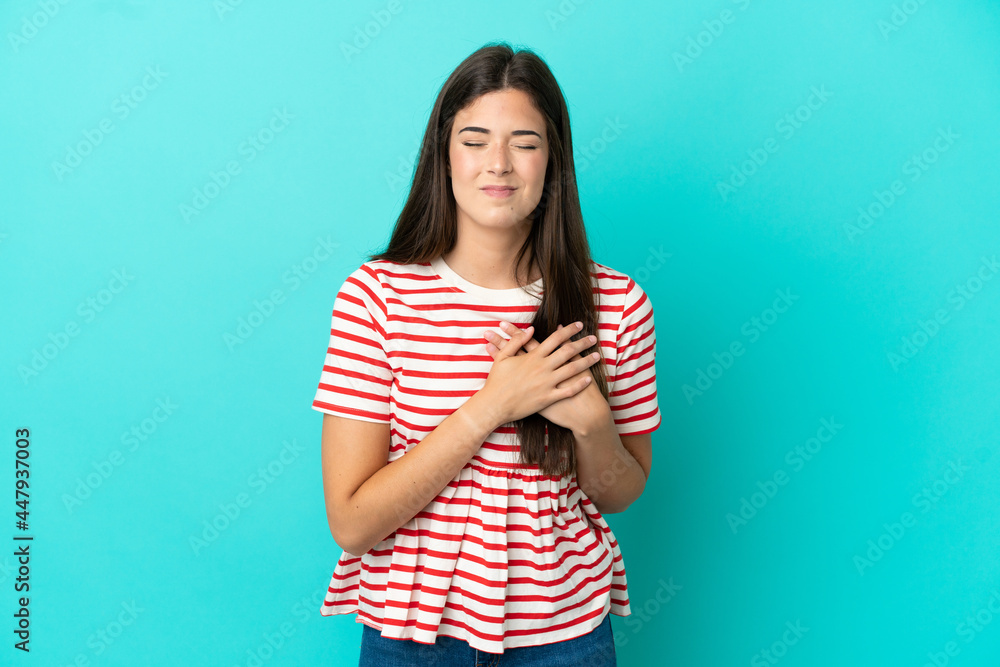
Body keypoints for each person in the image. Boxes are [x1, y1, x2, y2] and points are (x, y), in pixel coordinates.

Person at [311, 41, 661, 666]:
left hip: (566, 634)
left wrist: (591, 423)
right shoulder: (378, 296)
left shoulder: (617, 302)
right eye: (474, 140)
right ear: (442, 156)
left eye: (524, 142)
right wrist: (493, 405)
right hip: (410, 636)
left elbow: (618, 492)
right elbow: (354, 523)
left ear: (554, 161)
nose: (498, 163)